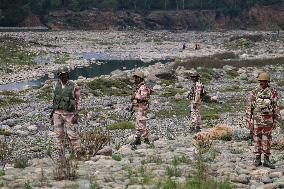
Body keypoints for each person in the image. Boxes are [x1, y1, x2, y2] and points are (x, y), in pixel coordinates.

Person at [246, 72, 280, 169]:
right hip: (257, 120)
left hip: (268, 120)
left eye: (264, 81)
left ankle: (266, 160)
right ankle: (257, 159)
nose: (261, 83)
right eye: (260, 81)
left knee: (267, 140)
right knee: (256, 139)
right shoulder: (254, 91)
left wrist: (275, 121)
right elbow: (250, 106)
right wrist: (249, 120)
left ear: (267, 81)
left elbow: (276, 107)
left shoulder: (273, 92)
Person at [50, 66, 84, 158]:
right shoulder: (55, 85)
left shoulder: (74, 86)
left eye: (65, 75)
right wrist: (52, 115)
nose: (63, 77)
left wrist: (76, 114)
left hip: (70, 114)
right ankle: (61, 154)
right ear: (59, 76)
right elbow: (54, 100)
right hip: (57, 113)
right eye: (61, 75)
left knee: (72, 134)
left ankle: (79, 153)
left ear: (67, 75)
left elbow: (78, 101)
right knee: (58, 135)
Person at [130, 71, 152, 147]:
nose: (135, 79)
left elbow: (144, 97)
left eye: (136, 78)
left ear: (140, 78)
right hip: (139, 107)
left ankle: (146, 140)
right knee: (138, 123)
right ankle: (138, 139)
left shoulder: (143, 87)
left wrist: (135, 99)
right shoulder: (139, 87)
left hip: (142, 107)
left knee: (141, 123)